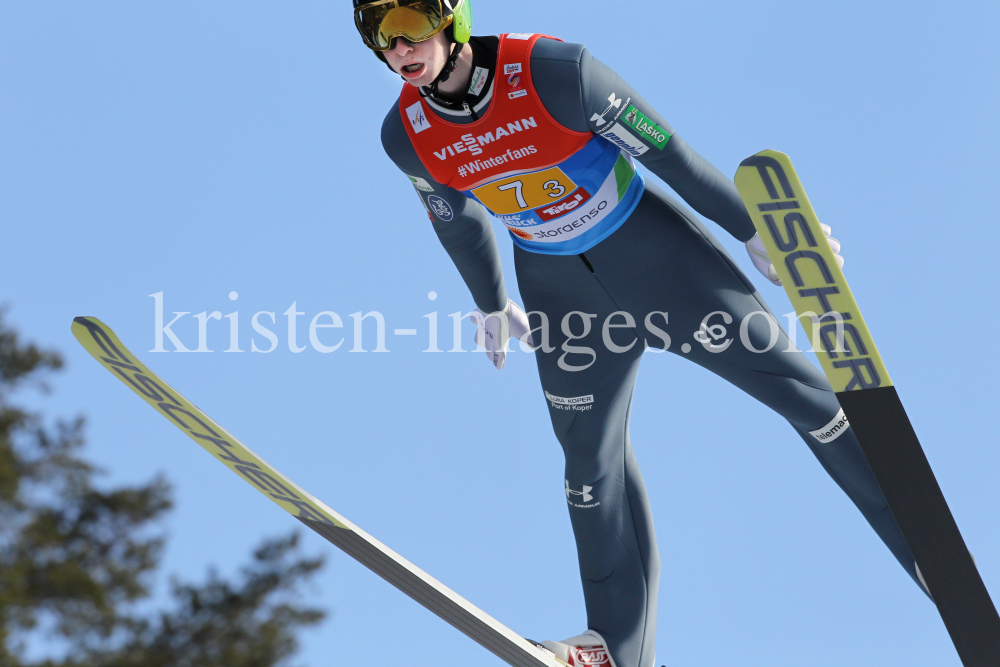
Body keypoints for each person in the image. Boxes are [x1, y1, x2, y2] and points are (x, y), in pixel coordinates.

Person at [352, 1, 925, 665]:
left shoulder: (555, 71)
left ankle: (923, 551)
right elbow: (455, 218)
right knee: (589, 468)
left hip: (659, 262)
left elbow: (669, 153)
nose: (399, 46)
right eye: (380, 34)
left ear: (451, 18)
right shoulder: (408, 134)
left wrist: (752, 226)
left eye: (410, 24)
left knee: (804, 397)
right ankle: (616, 646)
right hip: (561, 297)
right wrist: (489, 302)